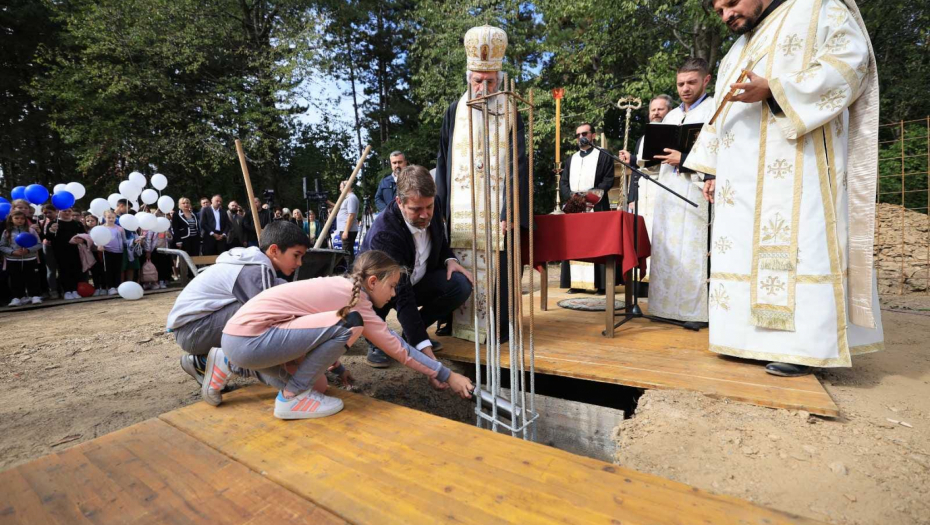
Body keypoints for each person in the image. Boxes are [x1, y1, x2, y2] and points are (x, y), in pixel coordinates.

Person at [684, 0, 884, 376]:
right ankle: (747, 340)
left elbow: (852, 65)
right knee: (741, 250)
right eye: (718, 11)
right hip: (740, 178)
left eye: (730, 3)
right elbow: (720, 113)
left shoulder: (819, 8)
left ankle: (803, 347)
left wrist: (775, 89)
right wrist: (710, 170)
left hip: (799, 162)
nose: (726, 15)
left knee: (801, 245)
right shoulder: (737, 49)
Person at [215, 250, 474, 419]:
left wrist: (338, 370)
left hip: (239, 342)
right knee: (351, 324)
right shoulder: (356, 302)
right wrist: (447, 374)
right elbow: (400, 349)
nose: (394, 295)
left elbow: (308, 333)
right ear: (373, 282)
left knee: (319, 385)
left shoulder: (340, 288)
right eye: (392, 286)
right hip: (250, 341)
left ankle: (230, 363)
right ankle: (290, 398)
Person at [435, 24, 530, 343]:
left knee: (498, 268)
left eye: (490, 81)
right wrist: (441, 208)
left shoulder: (511, 110)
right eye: (478, 80)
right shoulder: (454, 111)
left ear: (499, 79)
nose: (484, 87)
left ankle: (497, 327)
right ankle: (455, 324)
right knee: (457, 263)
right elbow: (443, 162)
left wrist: (509, 211)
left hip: (495, 211)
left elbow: (518, 163)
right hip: (462, 210)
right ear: (469, 77)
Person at [166, 220, 310, 385]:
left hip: (195, 328)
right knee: (260, 314)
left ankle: (202, 362)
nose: (299, 263)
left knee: (272, 303)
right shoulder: (255, 269)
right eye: (296, 255)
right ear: (274, 250)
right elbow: (270, 320)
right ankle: (230, 363)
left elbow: (288, 293)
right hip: (193, 332)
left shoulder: (257, 265)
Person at [361, 165, 474, 367]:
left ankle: (412, 332)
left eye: (429, 207)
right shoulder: (385, 233)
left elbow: (441, 238)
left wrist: (450, 260)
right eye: (416, 209)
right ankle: (378, 340)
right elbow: (402, 294)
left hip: (416, 279)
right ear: (399, 202)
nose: (425, 215)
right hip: (383, 288)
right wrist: (425, 352)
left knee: (460, 285)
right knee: (369, 302)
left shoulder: (433, 204)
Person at [640, 58, 715, 330]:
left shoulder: (714, 110)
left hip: (695, 193)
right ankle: (665, 307)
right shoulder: (670, 117)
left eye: (691, 82)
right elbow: (653, 159)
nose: (685, 88)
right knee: (668, 249)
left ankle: (696, 312)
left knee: (693, 252)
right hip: (668, 193)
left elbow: (722, 153)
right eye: (681, 83)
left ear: (706, 80)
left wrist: (683, 159)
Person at [558, 122, 616, 295]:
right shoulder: (571, 159)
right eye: (578, 135)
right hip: (575, 206)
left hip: (595, 205)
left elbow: (608, 179)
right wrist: (571, 196)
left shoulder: (604, 155)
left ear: (593, 135)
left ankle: (601, 284)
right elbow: (563, 182)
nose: (581, 137)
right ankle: (577, 283)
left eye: (584, 133)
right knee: (575, 242)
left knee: (597, 242)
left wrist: (590, 195)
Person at [619, 94, 674, 241]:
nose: (656, 113)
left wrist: (633, 159)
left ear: (670, 111)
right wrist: (632, 197)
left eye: (660, 109)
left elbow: (659, 161)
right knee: (642, 234)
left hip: (662, 187)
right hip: (643, 193)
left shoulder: (673, 134)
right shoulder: (642, 139)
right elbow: (636, 171)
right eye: (653, 110)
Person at [1, 210, 43, 306]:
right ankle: (17, 297)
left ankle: (34, 296)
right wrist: (13, 252)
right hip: (13, 260)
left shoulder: (31, 230)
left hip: (30, 259)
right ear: (11, 220)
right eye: (17, 218)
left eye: (22, 218)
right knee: (15, 279)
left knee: (32, 278)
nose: (20, 220)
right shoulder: (7, 232)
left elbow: (39, 244)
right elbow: (2, 246)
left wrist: (28, 250)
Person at [44, 207, 86, 300]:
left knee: (76, 270)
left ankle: (75, 290)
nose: (67, 213)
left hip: (76, 251)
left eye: (69, 211)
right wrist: (52, 230)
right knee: (64, 271)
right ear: (59, 212)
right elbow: (48, 237)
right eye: (64, 211)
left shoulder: (77, 223)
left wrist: (81, 240)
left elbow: (84, 236)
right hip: (60, 252)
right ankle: (67, 291)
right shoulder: (54, 223)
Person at [72, 214, 107, 295]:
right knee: (94, 271)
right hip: (90, 253)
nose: (90, 222)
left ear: (96, 221)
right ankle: (97, 287)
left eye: (92, 220)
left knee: (102, 270)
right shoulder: (85, 232)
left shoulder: (101, 229)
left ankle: (104, 287)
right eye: (88, 221)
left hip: (100, 253)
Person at [144, 211, 173, 289]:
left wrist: (169, 236)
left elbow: (169, 240)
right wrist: (148, 251)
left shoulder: (165, 228)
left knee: (164, 266)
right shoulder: (152, 228)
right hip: (155, 250)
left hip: (164, 250)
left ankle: (162, 281)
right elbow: (148, 240)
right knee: (155, 266)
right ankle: (154, 282)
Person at [335, 180, 360, 270]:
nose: (340, 189)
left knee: (347, 253)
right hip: (347, 229)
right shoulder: (348, 198)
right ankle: (351, 271)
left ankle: (351, 272)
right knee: (347, 252)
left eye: (341, 187)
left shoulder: (351, 198)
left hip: (348, 230)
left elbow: (351, 215)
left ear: (347, 187)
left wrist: (346, 231)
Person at [99, 210, 125, 295]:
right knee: (109, 270)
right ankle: (110, 287)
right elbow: (97, 239)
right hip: (107, 251)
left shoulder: (120, 228)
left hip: (119, 252)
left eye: (113, 217)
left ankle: (117, 286)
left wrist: (134, 241)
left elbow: (124, 240)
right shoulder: (102, 228)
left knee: (117, 270)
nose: (111, 219)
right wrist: (99, 245)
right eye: (109, 217)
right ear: (104, 218)